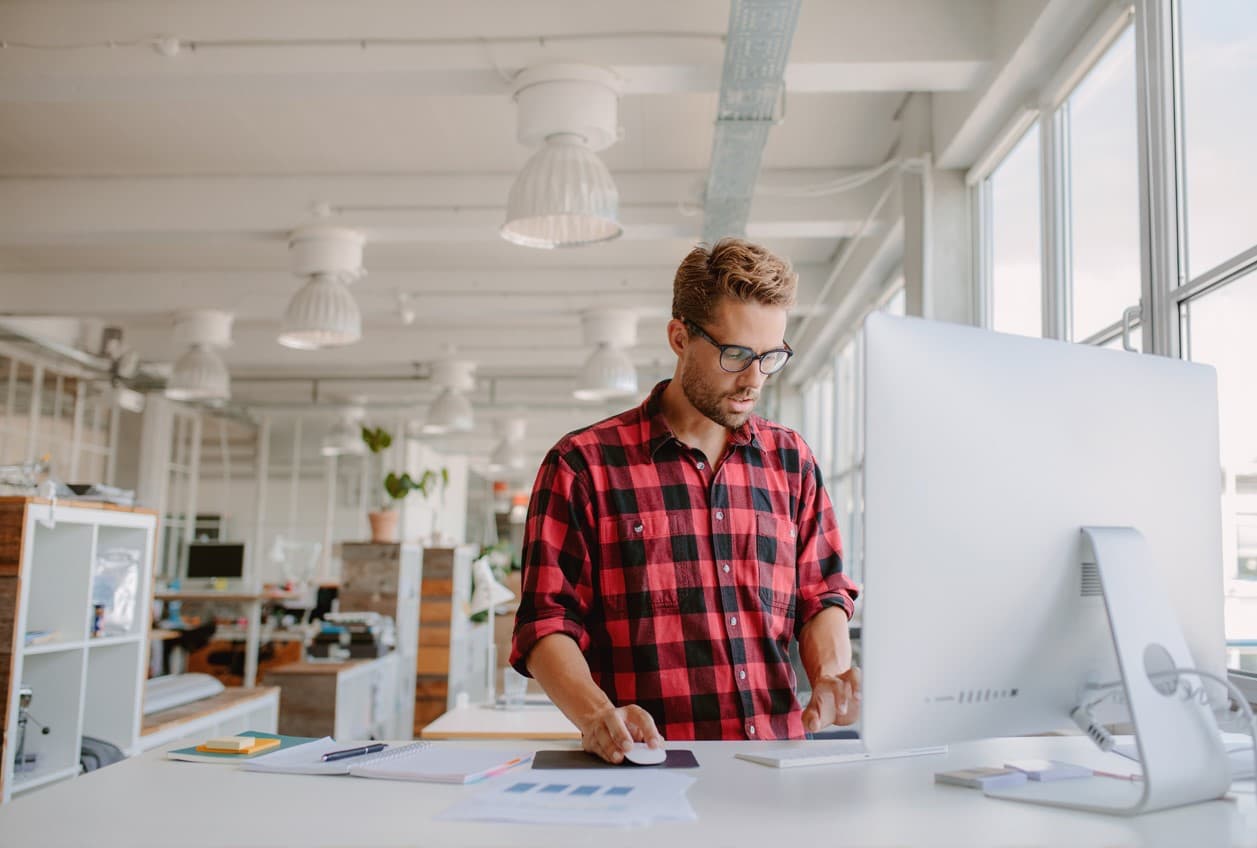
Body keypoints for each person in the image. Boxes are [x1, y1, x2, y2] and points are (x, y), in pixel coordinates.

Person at [510, 238, 860, 763]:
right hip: (646, 768)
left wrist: (830, 674)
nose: (753, 380)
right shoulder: (582, 465)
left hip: (777, 767)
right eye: (737, 354)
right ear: (680, 337)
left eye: (771, 357)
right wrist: (595, 714)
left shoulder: (791, 462)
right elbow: (546, 622)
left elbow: (822, 594)